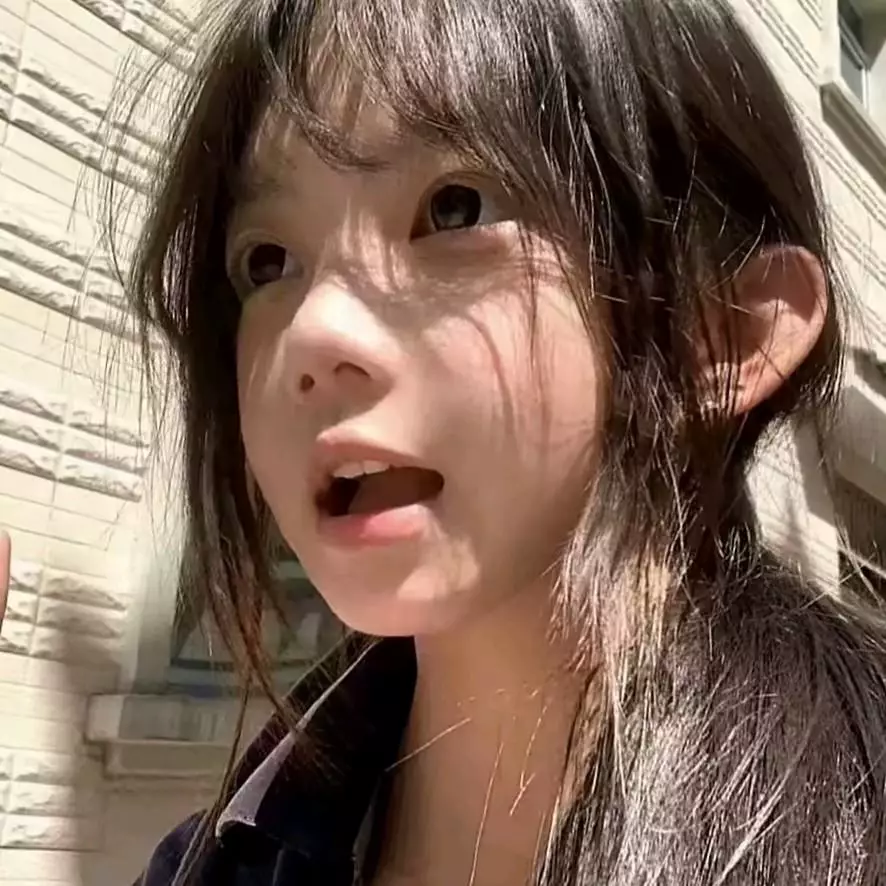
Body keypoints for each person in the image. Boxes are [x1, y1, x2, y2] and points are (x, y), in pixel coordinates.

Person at [118, 0, 886, 883]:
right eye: (267, 262)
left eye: (454, 208)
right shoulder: (207, 864)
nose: (310, 333)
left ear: (715, 334)